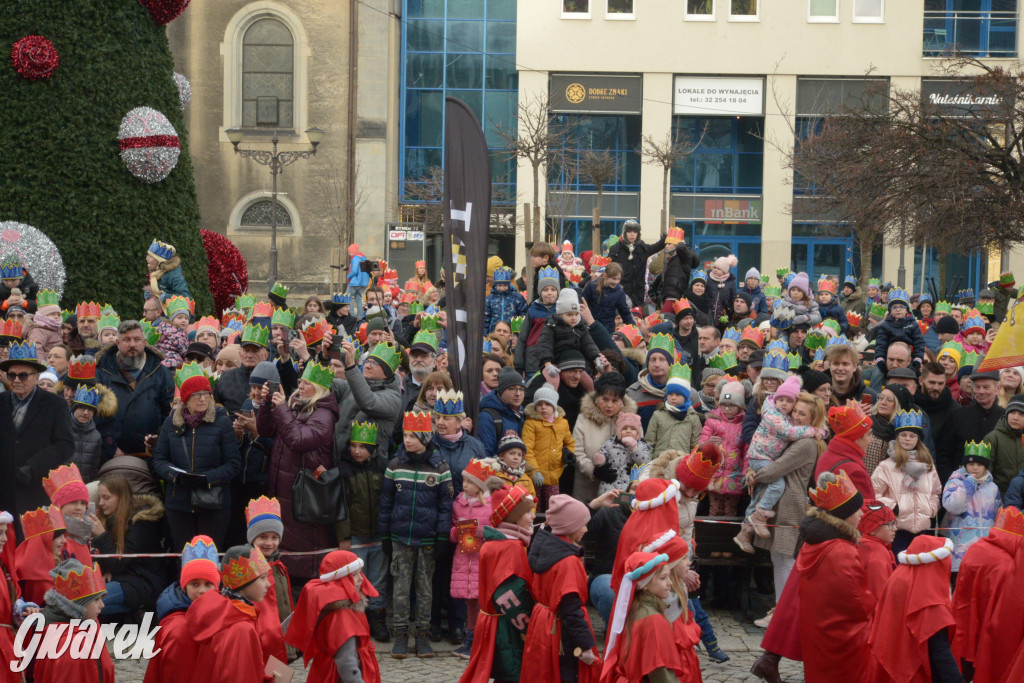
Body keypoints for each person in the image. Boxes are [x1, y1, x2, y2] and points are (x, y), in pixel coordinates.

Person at [380, 411, 454, 658]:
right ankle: (400, 634)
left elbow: (446, 506)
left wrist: (442, 537)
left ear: (424, 437)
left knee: (424, 590)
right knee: (400, 588)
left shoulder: (440, 468)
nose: (407, 439)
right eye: (405, 434)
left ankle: (422, 634)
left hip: (428, 540)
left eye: (413, 435)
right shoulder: (395, 465)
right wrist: (385, 535)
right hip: (400, 538)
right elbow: (386, 503)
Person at [257, 361, 339, 580]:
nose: (300, 386)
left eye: (306, 383)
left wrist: (282, 408)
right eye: (300, 382)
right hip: (285, 490)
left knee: (302, 553)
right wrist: (267, 405)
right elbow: (264, 429)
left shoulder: (324, 415)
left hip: (304, 495)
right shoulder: (295, 407)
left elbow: (298, 439)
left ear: (320, 389)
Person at [150, 363, 240, 550]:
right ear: (185, 398)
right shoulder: (170, 423)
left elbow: (233, 464)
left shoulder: (222, 422)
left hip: (213, 502)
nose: (202, 399)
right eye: (196, 395)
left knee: (209, 554)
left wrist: (207, 478)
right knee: (183, 553)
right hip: (179, 503)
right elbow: (158, 459)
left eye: (206, 394)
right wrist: (173, 475)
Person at [797, 471, 871, 683]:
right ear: (846, 515)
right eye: (857, 510)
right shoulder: (842, 551)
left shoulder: (814, 543)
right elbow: (857, 600)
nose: (862, 515)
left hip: (818, 633)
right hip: (843, 637)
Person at [457, 484, 536, 683]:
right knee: (512, 674)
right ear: (513, 517)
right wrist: (527, 625)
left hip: (493, 622)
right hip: (507, 626)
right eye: (528, 512)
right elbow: (508, 594)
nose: (533, 517)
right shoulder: (511, 547)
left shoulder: (495, 543)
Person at [521, 495, 601, 682]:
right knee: (564, 673)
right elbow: (571, 609)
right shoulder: (567, 563)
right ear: (570, 527)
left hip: (542, 623)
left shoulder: (545, 550)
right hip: (560, 630)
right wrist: (586, 645)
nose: (586, 529)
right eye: (583, 524)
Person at [737, 376, 822, 547]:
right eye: (781, 399)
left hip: (768, 460)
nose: (784, 404)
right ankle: (758, 517)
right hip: (761, 456)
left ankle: (745, 532)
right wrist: (814, 430)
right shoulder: (773, 414)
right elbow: (789, 432)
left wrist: (820, 430)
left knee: (759, 495)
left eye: (789, 401)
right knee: (777, 485)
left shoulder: (791, 423)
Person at [868, 536, 963, 683]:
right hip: (915, 672)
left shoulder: (898, 577)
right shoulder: (929, 598)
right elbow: (940, 652)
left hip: (892, 661)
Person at [0, 341, 75, 523]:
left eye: (23, 375)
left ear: (36, 376)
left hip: (35, 490)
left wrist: (32, 467)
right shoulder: (1, 401)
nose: (16, 380)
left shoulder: (55, 404)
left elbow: (65, 445)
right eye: (12, 375)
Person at [285, 550, 382, 683]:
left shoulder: (325, 604)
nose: (361, 578)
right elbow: (346, 660)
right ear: (340, 579)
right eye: (354, 575)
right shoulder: (343, 615)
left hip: (326, 670)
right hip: (339, 676)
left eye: (360, 572)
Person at [336, 422, 390, 642]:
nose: (357, 451)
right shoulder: (343, 469)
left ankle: (377, 619)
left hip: (378, 535)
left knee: (378, 579)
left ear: (373, 448)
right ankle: (355, 621)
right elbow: (341, 505)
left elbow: (387, 502)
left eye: (363, 446)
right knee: (355, 580)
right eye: (354, 445)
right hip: (355, 535)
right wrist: (343, 536)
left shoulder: (383, 467)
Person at [186, 545, 271, 683]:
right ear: (244, 582)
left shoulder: (222, 613)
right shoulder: (240, 627)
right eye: (262, 578)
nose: (268, 584)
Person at [144, 535, 221, 683]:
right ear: (184, 587)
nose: (202, 591)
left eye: (208, 584)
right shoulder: (179, 629)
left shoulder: (218, 615)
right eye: (195, 584)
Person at [95, 320, 175, 459]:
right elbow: (95, 415)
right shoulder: (101, 372)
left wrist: (157, 441)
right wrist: (110, 447)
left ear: (144, 342)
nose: (132, 344)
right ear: (118, 343)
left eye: (137, 339)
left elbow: (168, 414)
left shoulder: (161, 372)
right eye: (127, 339)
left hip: (150, 455)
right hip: (111, 455)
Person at [600, 551, 685, 683]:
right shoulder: (653, 620)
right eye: (663, 578)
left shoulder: (635, 607)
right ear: (645, 584)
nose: (670, 583)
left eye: (669, 577)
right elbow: (659, 670)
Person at [449, 460, 503, 659]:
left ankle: (482, 640)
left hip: (483, 559)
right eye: (464, 481)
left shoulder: (491, 505)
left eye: (470, 482)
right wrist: (457, 533)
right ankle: (470, 639)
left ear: (480, 486)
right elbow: (451, 529)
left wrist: (482, 532)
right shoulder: (458, 504)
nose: (465, 485)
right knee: (470, 603)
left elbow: (498, 532)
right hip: (464, 560)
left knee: (483, 602)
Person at [92, 474, 165, 615]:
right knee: (86, 608)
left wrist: (101, 535)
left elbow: (120, 562)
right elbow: (109, 560)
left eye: (106, 498)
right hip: (122, 578)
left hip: (143, 581)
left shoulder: (141, 523)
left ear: (121, 498)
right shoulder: (110, 519)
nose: (101, 503)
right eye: (100, 498)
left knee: (89, 604)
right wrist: (107, 570)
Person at [32, 559, 114, 683]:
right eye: (96, 600)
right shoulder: (72, 645)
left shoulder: (87, 624)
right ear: (79, 605)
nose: (102, 605)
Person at [941, 442, 1000, 579]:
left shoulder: (992, 488)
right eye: (971, 464)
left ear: (986, 466)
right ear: (965, 465)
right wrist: (968, 485)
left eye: (979, 465)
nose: (975, 468)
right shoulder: (955, 481)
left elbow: (997, 517)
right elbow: (953, 507)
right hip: (960, 550)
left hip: (985, 550)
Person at [940, 369, 1004, 486]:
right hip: (960, 487)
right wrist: (950, 484)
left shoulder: (1004, 418)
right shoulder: (957, 416)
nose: (981, 391)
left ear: (998, 389)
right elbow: (944, 454)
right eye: (977, 387)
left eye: (986, 387)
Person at [700, 380, 749, 516]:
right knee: (714, 509)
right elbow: (701, 444)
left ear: (740, 407)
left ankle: (726, 537)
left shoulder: (744, 425)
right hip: (714, 473)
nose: (727, 409)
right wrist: (707, 444)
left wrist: (745, 472)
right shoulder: (712, 421)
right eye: (724, 405)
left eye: (731, 405)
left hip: (735, 475)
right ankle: (711, 536)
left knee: (730, 511)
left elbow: (747, 452)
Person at [523, 384, 575, 510]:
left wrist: (568, 455)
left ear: (554, 406)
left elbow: (569, 442)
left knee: (553, 508)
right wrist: (534, 471)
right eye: (539, 404)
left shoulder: (562, 423)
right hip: (536, 476)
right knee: (535, 507)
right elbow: (527, 449)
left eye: (547, 404)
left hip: (554, 476)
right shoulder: (531, 424)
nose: (543, 408)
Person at [816, 402, 876, 501]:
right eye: (869, 434)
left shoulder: (825, 457)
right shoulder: (854, 470)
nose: (871, 440)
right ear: (856, 437)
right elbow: (868, 508)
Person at [608, 220, 668, 308]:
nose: (632, 234)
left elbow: (656, 247)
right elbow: (608, 270)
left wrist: (666, 238)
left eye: (635, 232)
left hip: (638, 295)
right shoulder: (615, 250)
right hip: (620, 292)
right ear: (624, 233)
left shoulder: (642, 248)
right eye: (629, 231)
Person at [645, 363, 701, 458]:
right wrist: (648, 463)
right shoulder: (658, 415)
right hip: (659, 461)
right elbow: (649, 442)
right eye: (670, 394)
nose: (673, 398)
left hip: (681, 462)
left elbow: (695, 445)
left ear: (685, 397)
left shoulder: (693, 418)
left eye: (677, 395)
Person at [14, 506, 66, 606]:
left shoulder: (56, 563)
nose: (64, 540)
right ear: (43, 540)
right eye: (58, 536)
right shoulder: (33, 576)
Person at [68, 384, 116, 484]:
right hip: (62, 485)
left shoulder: (96, 436)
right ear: (74, 409)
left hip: (83, 486)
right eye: (82, 408)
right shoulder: (61, 429)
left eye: (90, 409)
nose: (86, 413)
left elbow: (94, 469)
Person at [478, 367, 527, 456]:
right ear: (501, 391)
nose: (518, 394)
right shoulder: (487, 417)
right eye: (512, 388)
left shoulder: (523, 414)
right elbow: (485, 454)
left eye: (521, 389)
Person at [582, 262, 634, 335]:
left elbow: (625, 312)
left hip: (607, 329)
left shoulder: (619, 292)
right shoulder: (592, 286)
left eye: (618, 279)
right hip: (590, 326)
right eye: (613, 279)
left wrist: (634, 329)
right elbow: (582, 304)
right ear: (605, 276)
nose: (616, 282)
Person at [484, 266, 528, 335]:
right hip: (494, 333)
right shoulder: (489, 299)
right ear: (495, 285)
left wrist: (518, 333)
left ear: (509, 285)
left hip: (511, 333)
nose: (502, 288)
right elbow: (486, 318)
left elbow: (523, 314)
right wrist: (485, 334)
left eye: (505, 285)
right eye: (500, 285)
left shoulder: (517, 298)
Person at [346, 244, 370, 319]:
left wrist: (348, 276)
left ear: (352, 252)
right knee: (358, 298)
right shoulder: (363, 258)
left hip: (355, 282)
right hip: (363, 283)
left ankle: (351, 315)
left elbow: (354, 271)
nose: (349, 254)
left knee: (347, 297)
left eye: (349, 252)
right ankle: (360, 316)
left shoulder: (355, 259)